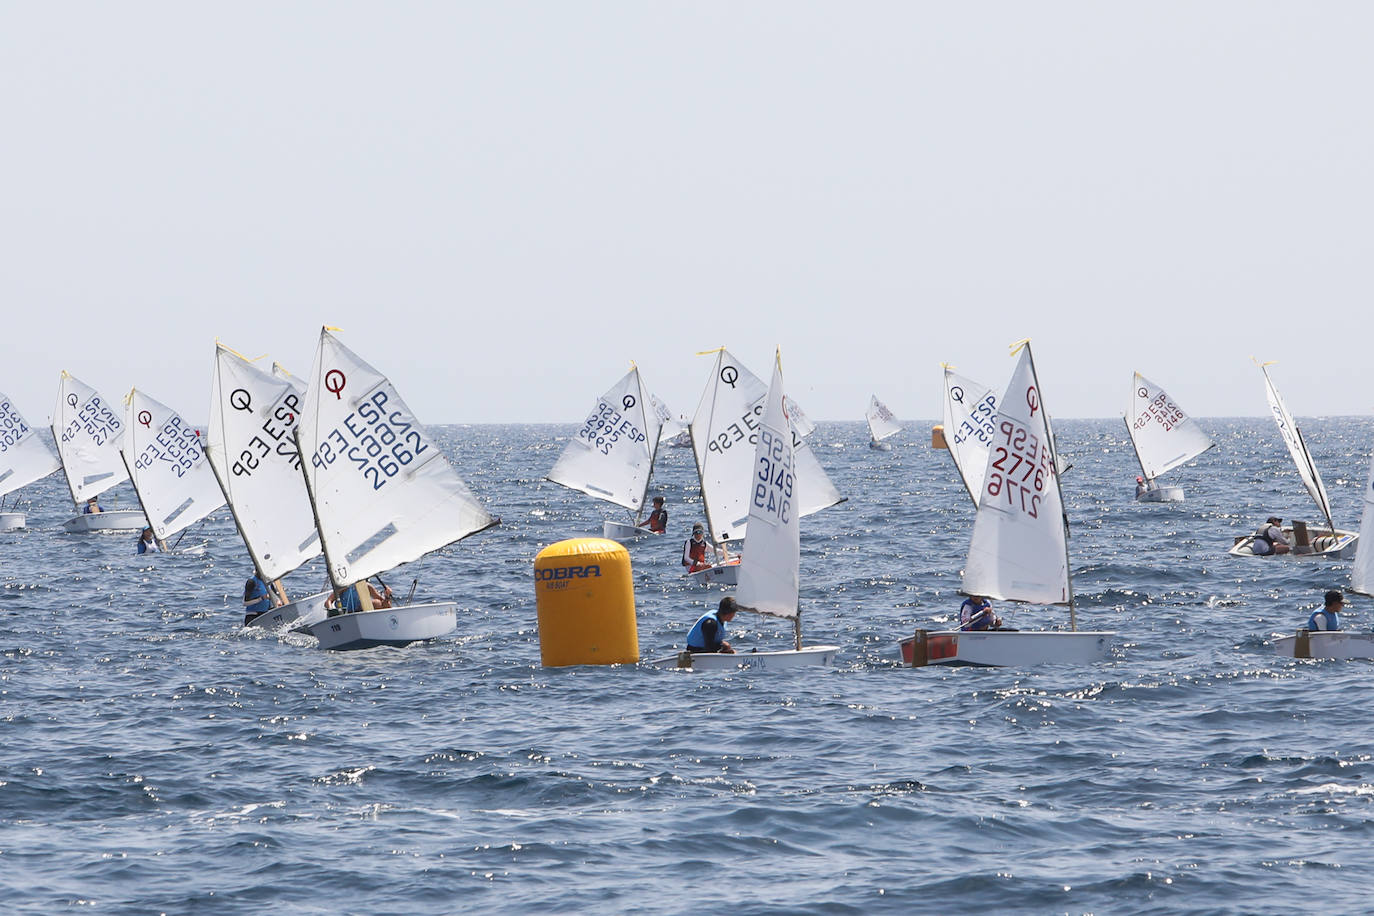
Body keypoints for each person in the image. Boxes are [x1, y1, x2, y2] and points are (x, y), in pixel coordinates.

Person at [327, 580, 393, 615]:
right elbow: (328, 601)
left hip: (359, 613)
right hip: (344, 615)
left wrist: (387, 596)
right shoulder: (344, 587)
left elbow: (386, 607)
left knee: (377, 603)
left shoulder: (367, 586)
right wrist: (332, 611)